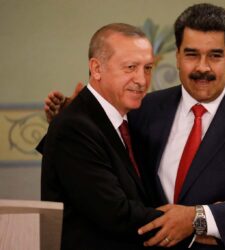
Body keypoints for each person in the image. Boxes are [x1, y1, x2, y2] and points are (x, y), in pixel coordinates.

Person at [43, 3, 225, 250]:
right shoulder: (143, 110)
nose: (202, 68)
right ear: (177, 56)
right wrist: (75, 116)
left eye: (215, 55)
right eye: (192, 54)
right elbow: (101, 172)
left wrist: (199, 218)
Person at [40, 22, 181, 250]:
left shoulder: (128, 121)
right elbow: (116, 214)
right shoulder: (75, 127)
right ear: (96, 69)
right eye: (130, 67)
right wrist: (192, 223)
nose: (142, 80)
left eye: (147, 68)